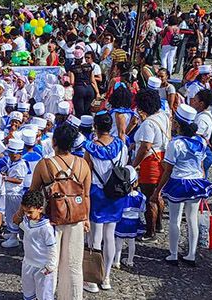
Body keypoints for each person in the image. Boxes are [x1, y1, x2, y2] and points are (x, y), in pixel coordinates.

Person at [28, 123, 90, 300]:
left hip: (51, 219)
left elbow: (33, 192)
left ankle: (46, 295)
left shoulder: (45, 165)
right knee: (73, 264)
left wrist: (21, 215)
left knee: (50, 262)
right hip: (76, 219)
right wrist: (85, 218)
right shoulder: (83, 164)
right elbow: (86, 195)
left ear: (54, 141)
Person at [154, 104, 212, 266]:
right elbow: (201, 165)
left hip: (178, 183)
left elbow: (168, 169)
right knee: (192, 218)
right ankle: (191, 254)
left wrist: (157, 191)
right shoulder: (201, 141)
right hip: (196, 182)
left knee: (174, 219)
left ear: (178, 124)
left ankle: (173, 254)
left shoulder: (175, 143)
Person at [83, 112, 128, 292]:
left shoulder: (91, 148)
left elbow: (87, 172)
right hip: (116, 193)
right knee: (110, 235)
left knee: (95, 235)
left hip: (97, 192)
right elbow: (123, 165)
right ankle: (107, 276)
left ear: (95, 127)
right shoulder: (121, 145)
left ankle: (93, 279)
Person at [131, 88, 169, 241]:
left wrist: (134, 165)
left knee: (149, 199)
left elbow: (145, 146)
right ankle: (159, 225)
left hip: (150, 162)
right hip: (162, 158)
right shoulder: (164, 116)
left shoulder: (148, 124)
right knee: (157, 194)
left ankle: (150, 232)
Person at [12, 189, 55, 300]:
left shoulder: (46, 228)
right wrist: (19, 219)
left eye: (30, 212)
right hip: (28, 263)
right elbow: (26, 228)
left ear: (40, 209)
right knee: (28, 292)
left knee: (44, 295)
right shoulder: (27, 220)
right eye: (25, 211)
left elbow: (52, 248)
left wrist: (50, 265)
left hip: (42, 267)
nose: (27, 214)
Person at [112, 167, 145, 268]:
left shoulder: (121, 197)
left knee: (119, 242)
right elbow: (142, 210)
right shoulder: (141, 197)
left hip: (122, 221)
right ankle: (130, 261)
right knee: (132, 242)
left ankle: (116, 261)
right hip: (134, 222)